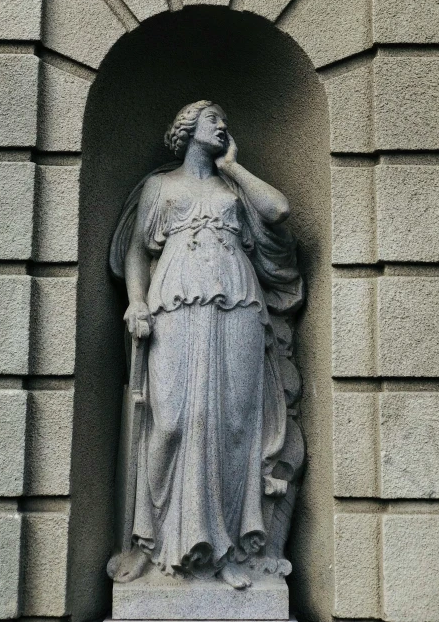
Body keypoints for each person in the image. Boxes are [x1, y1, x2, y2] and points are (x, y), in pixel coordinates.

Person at [109, 101, 303, 589]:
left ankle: (232, 547)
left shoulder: (234, 186)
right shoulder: (161, 187)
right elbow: (135, 250)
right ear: (188, 129)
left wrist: (233, 166)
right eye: (213, 119)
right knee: (172, 419)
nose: (223, 125)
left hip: (237, 304)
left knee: (235, 421)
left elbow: (279, 211)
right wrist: (136, 303)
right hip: (173, 304)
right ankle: (154, 546)